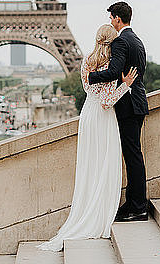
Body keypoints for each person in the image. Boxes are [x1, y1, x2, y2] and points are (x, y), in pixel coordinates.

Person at [38, 24, 138, 252]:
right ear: (113, 42)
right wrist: (125, 86)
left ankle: (86, 211)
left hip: (88, 116)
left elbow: (89, 91)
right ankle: (100, 213)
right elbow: (106, 101)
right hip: (103, 117)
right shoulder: (110, 65)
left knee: (90, 165)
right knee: (104, 164)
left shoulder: (87, 62)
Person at [88, 1, 149, 222]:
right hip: (138, 102)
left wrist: (91, 77)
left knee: (132, 157)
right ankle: (133, 204)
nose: (110, 23)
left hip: (128, 105)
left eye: (111, 18)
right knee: (134, 156)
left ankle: (138, 207)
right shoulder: (137, 40)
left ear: (116, 18)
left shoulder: (121, 41)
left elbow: (114, 71)